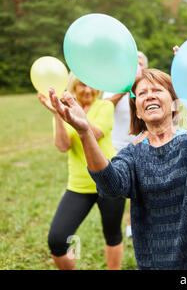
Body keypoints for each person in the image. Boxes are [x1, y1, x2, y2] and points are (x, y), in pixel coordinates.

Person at [47, 68, 187, 270]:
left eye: (157, 90)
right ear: (138, 111)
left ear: (173, 103)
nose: (149, 95)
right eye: (142, 93)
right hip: (156, 263)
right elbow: (111, 186)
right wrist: (84, 132)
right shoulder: (131, 154)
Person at [38, 73, 125, 270]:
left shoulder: (105, 106)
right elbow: (62, 146)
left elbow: (95, 133)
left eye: (92, 85)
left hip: (110, 181)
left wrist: (69, 115)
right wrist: (58, 115)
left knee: (112, 234)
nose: (88, 90)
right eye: (82, 85)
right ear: (73, 87)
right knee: (57, 239)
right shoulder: (63, 111)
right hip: (79, 184)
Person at [102, 50, 148, 238]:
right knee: (120, 186)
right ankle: (118, 225)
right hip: (118, 146)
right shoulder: (114, 85)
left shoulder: (148, 87)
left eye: (140, 63)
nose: (137, 66)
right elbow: (104, 107)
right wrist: (124, 88)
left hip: (144, 144)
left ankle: (132, 223)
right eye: (133, 63)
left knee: (141, 187)